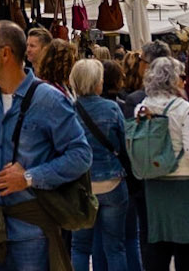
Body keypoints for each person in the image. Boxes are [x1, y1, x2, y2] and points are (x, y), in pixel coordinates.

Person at [0, 19, 92, 271]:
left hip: (31, 231)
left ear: (5, 53)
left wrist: (29, 177)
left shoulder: (48, 100)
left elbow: (81, 154)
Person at [131, 55, 189, 271]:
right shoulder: (183, 108)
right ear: (173, 79)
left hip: (155, 181)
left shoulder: (141, 108)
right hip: (184, 182)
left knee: (157, 247)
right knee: (186, 251)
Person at [68, 58, 137, 271]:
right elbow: (124, 145)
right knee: (114, 247)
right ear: (96, 82)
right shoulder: (111, 108)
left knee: (79, 247)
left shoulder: (69, 111)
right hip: (112, 181)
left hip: (81, 185)